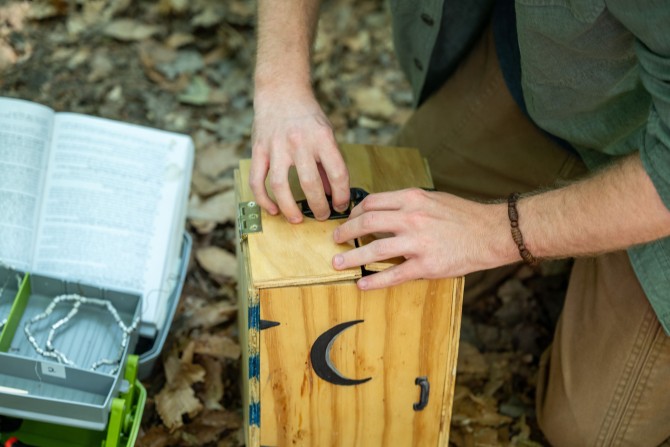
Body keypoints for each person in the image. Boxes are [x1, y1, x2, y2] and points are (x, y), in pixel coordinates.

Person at [250, 0, 670, 445]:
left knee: (586, 433)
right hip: (542, 75)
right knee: (378, 255)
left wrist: (495, 232)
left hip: (655, 155)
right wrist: (281, 84)